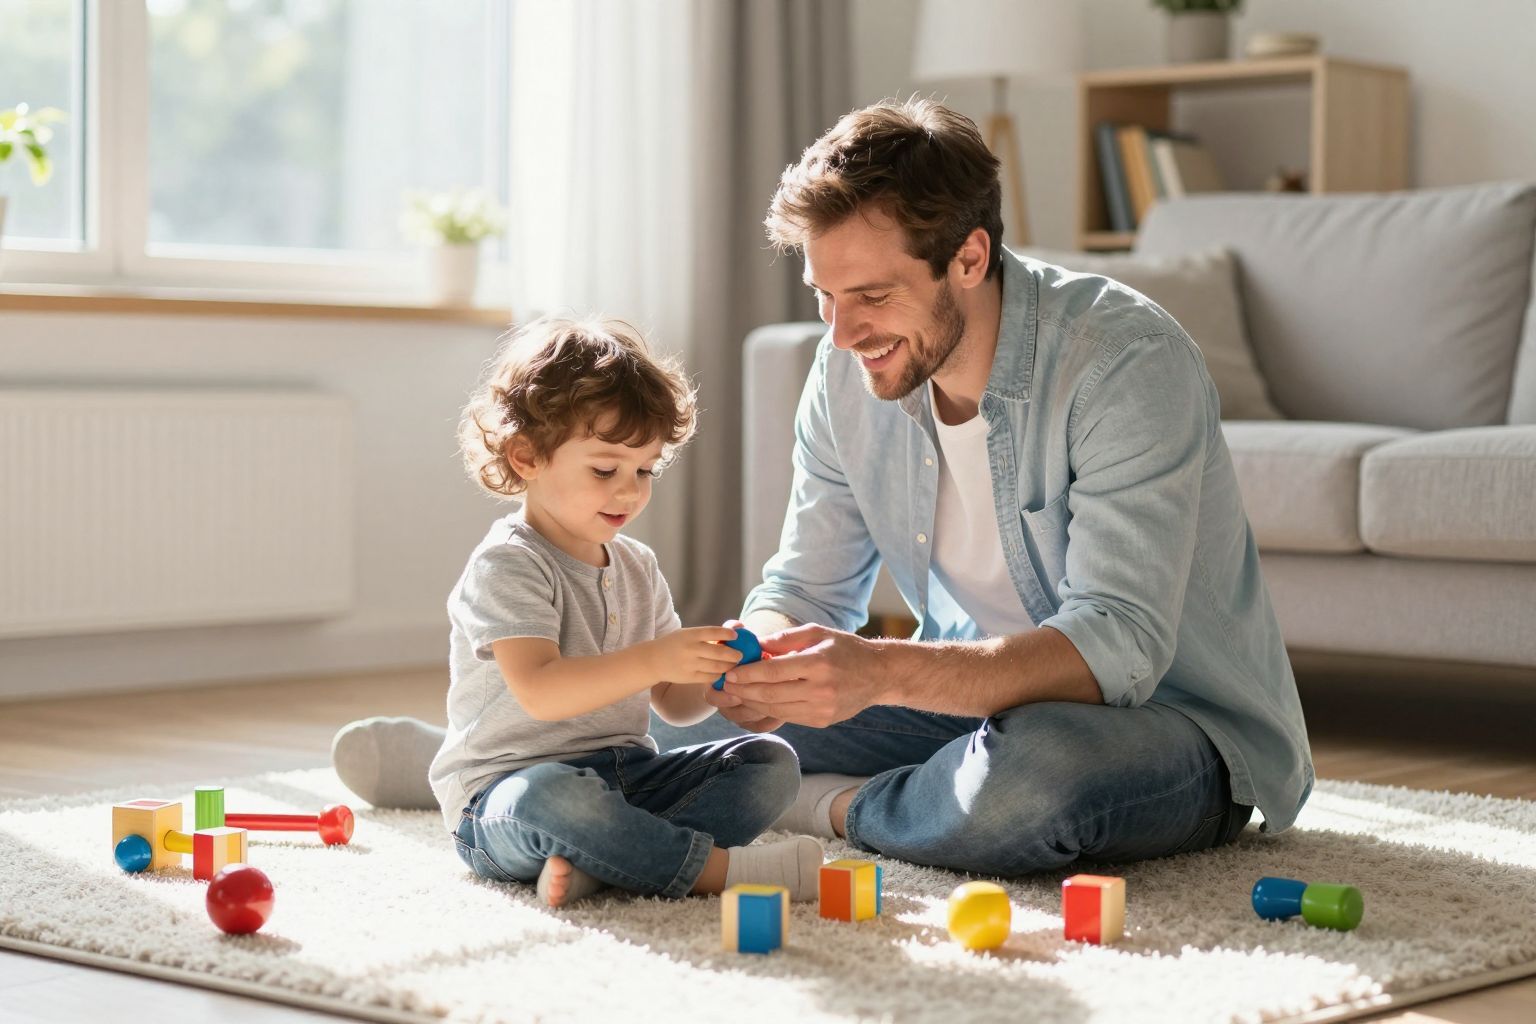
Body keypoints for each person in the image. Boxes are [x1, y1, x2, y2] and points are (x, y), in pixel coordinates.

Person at [335, 97, 1313, 879]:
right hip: (956, 696)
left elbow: (1121, 648)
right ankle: (503, 757)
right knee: (689, 698)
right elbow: (807, 588)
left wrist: (879, 672)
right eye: (822, 297)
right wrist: (756, 661)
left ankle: (825, 805)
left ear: (969, 256)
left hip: (1169, 729)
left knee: (1038, 779)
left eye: (873, 296)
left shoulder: (1121, 361)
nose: (840, 337)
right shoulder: (846, 373)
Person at [403, 315, 821, 908]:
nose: (629, 491)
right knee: (554, 799)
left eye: (644, 470)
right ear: (526, 457)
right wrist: (654, 656)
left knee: (769, 765)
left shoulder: (636, 565)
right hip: (504, 797)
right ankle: (715, 873)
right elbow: (543, 693)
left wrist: (721, 677)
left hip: (625, 779)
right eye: (604, 470)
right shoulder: (508, 565)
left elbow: (674, 705)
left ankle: (611, 859)